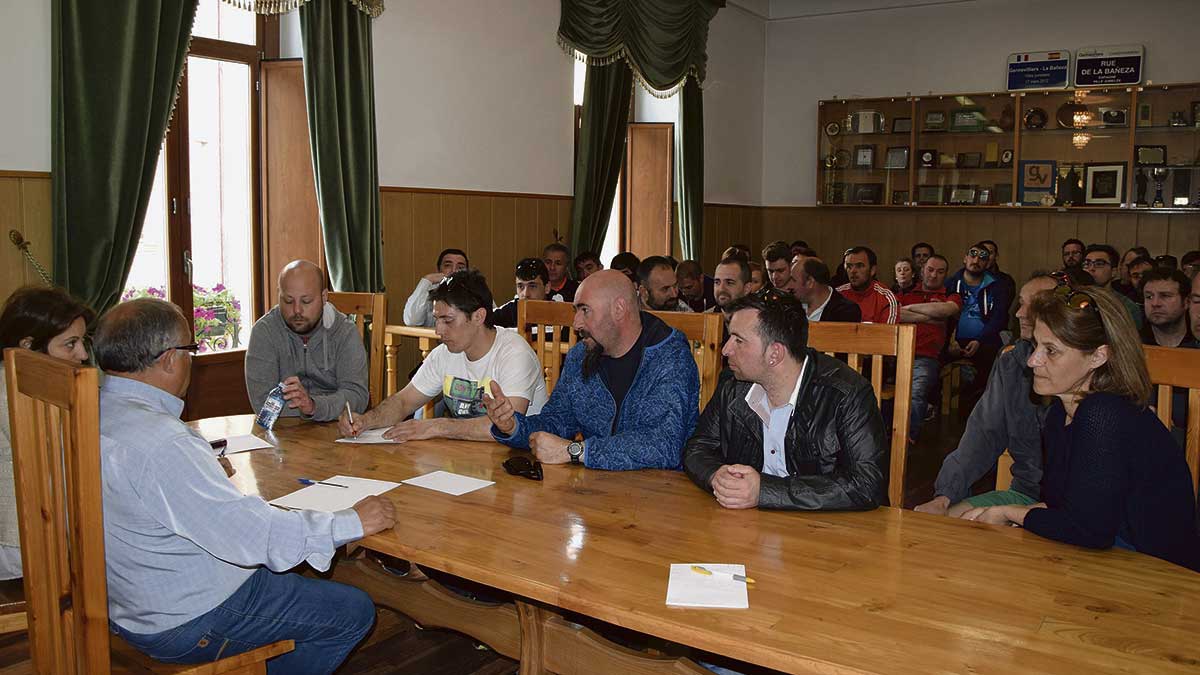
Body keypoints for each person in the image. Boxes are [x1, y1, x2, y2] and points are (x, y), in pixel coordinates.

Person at [95, 298, 394, 671]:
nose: (192, 361)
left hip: (126, 599)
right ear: (170, 358)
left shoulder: (94, 412)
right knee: (352, 609)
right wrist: (352, 522)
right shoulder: (165, 442)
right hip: (185, 617)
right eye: (191, 350)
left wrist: (198, 473)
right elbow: (252, 535)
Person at [960, 284, 1200, 573]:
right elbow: (1062, 507)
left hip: (1156, 574)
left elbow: (1089, 531)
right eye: (1036, 345)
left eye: (1051, 351)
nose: (1032, 360)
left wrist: (1011, 512)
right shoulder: (1059, 412)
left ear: (1098, 356)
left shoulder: (1103, 414)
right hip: (1106, 557)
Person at [683, 290, 886, 510]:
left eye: (739, 340)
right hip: (748, 528)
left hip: (832, 532)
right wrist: (716, 476)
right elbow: (698, 447)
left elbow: (867, 484)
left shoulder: (846, 395)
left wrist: (765, 491)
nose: (725, 349)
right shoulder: (733, 386)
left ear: (775, 354)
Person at [913, 269, 1093, 517]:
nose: (1020, 313)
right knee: (943, 524)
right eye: (1020, 303)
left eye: (1036, 305)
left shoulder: (1091, 370)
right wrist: (945, 494)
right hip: (1025, 493)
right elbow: (984, 432)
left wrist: (1014, 515)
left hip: (1079, 506)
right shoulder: (1012, 361)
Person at [485, 270, 698, 470]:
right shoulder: (581, 355)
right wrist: (514, 427)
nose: (576, 323)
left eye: (585, 310)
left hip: (659, 494)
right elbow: (557, 420)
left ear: (619, 309)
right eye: (576, 311)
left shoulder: (670, 358)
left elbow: (663, 446)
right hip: (594, 488)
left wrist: (576, 452)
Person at [339, 270, 547, 443]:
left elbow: (508, 425)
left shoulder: (514, 352)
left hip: (520, 458)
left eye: (447, 320)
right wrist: (365, 421)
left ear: (478, 316)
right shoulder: (445, 353)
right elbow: (403, 401)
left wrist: (437, 426)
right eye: (437, 319)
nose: (439, 331)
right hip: (467, 459)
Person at [0, 286, 93, 581]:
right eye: (71, 344)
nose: (82, 354)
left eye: (83, 341)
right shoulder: (14, 395)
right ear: (28, 345)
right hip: (20, 550)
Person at [245, 260, 368, 422]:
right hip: (283, 433)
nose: (297, 310)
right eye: (288, 301)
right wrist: (314, 408)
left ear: (324, 297)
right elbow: (263, 405)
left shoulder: (344, 332)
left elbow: (357, 397)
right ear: (279, 296)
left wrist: (314, 406)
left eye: (306, 301)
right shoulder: (264, 332)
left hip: (337, 430)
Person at [896, 255, 960, 442]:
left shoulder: (950, 295)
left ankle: (906, 439)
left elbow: (947, 310)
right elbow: (895, 313)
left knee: (915, 392)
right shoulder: (904, 292)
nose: (934, 275)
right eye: (930, 270)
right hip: (895, 353)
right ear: (922, 270)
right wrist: (929, 315)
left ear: (945, 275)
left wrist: (911, 310)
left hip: (926, 356)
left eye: (940, 272)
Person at [945, 242, 1013, 415]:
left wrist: (979, 340)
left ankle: (974, 408)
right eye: (973, 255)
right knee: (929, 355)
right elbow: (943, 317)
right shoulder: (951, 283)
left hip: (984, 340)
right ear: (965, 258)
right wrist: (950, 341)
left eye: (982, 257)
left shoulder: (997, 285)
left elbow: (999, 317)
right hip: (953, 338)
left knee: (995, 361)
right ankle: (933, 405)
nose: (976, 260)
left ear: (987, 262)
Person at [1082, 244, 1143, 328]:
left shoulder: (1126, 307)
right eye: (1087, 263)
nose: (1091, 268)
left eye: (1099, 264)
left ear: (1113, 272)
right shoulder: (1075, 300)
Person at [404, 248, 468, 327]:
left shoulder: (475, 293)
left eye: (460, 268)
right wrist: (427, 280)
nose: (454, 271)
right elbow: (411, 321)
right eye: (448, 266)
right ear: (439, 269)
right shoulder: (430, 291)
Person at [836, 246, 898, 324]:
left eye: (859, 266)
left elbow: (888, 334)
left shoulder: (886, 298)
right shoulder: (837, 295)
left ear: (872, 270)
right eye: (849, 266)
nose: (853, 271)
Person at [789, 257, 861, 322]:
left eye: (793, 280)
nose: (790, 286)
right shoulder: (790, 307)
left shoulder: (846, 311)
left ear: (810, 282)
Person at [1139, 268, 1196, 348]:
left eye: (1165, 296)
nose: (1155, 303)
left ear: (1186, 302)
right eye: (1149, 297)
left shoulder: (1197, 340)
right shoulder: (1133, 343)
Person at [493, 257, 550, 328]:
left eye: (532, 286)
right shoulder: (510, 310)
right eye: (520, 286)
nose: (525, 294)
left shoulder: (562, 313)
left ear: (547, 287)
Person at [978, 240, 1016, 308]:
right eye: (982, 253)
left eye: (990, 253)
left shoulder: (1006, 281)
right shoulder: (966, 278)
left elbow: (1003, 307)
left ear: (996, 256)